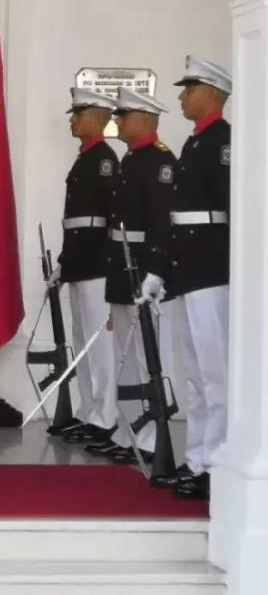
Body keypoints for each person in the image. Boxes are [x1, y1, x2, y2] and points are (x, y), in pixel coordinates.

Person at [154, 56, 232, 501]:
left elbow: (231, 210)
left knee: (215, 375)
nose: (182, 97)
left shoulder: (223, 142)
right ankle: (198, 458)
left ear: (213, 94)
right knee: (195, 376)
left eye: (190, 89)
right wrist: (164, 269)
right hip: (188, 271)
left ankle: (217, 464)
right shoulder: (195, 143)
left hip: (211, 270)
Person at [86, 87, 176, 464]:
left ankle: (150, 435)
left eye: (122, 116)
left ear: (143, 119)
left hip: (142, 269)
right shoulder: (131, 158)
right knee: (125, 354)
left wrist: (156, 272)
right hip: (123, 268)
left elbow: (161, 222)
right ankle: (128, 431)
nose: (117, 122)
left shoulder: (159, 161)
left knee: (145, 353)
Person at [49, 89, 119, 444]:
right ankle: (88, 412)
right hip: (80, 263)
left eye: (78, 114)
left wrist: (112, 263)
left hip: (97, 265)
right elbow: (74, 222)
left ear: (97, 117)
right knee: (82, 344)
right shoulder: (85, 159)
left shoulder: (105, 159)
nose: (73, 120)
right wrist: (65, 263)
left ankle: (106, 418)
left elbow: (112, 218)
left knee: (100, 345)